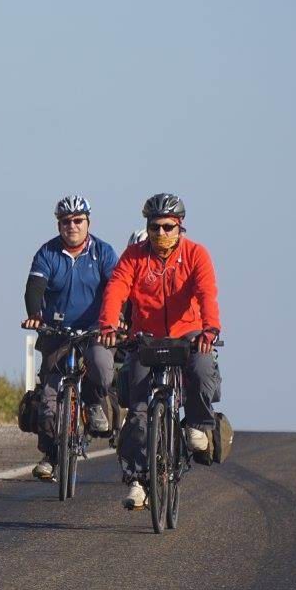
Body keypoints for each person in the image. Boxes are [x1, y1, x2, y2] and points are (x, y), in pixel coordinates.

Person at [98, 193, 222, 509]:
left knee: (202, 368)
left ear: (180, 227)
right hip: (147, 337)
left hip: (188, 334)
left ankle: (197, 424)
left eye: (168, 227)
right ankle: (138, 481)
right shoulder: (133, 257)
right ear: (147, 227)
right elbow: (116, 289)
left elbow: (207, 292)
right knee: (138, 409)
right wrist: (108, 326)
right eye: (155, 227)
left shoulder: (196, 254)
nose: (161, 234)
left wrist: (210, 329)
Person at [20, 195, 119, 480]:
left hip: (94, 330)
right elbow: (34, 288)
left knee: (101, 367)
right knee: (49, 400)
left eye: (78, 221)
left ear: (88, 222)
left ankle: (92, 401)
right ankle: (50, 456)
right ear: (58, 224)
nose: (71, 226)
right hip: (57, 332)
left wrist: (116, 319)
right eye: (65, 222)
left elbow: (116, 287)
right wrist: (35, 314)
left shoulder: (104, 252)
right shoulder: (47, 253)